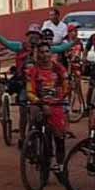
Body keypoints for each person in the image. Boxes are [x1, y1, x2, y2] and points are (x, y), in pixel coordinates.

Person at [26, 41, 71, 172]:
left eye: (47, 51)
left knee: (59, 137)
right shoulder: (33, 71)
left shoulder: (59, 69)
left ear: (51, 53)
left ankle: (61, 166)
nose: (45, 55)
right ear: (37, 55)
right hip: (39, 104)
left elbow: (66, 86)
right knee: (34, 117)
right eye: (42, 52)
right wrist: (39, 102)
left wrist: (60, 98)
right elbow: (29, 90)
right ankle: (33, 144)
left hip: (56, 104)